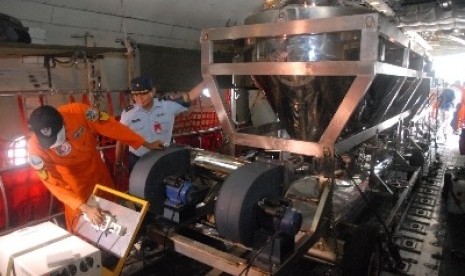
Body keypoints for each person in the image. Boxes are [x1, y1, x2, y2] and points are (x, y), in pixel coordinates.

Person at [27, 102, 165, 231]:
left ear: (63, 122)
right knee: (82, 227)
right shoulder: (35, 150)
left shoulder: (79, 111)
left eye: (57, 137)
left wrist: (144, 143)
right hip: (75, 188)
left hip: (98, 172)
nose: (55, 143)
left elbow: (111, 126)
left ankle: (121, 250)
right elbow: (54, 184)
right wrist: (84, 207)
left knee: (115, 215)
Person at [115, 76, 204, 172]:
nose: (139, 98)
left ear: (152, 91)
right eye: (135, 95)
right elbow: (121, 140)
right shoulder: (128, 114)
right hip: (139, 161)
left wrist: (207, 80)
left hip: (164, 158)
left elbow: (189, 97)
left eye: (143, 93)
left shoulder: (167, 106)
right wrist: (118, 163)